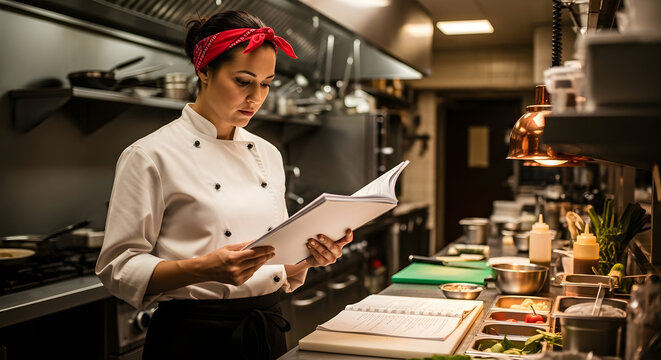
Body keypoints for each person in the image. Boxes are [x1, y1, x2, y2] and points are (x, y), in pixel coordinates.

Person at [95, 10, 353, 360]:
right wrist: (204, 268)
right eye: (243, 81)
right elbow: (118, 268)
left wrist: (310, 258)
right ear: (204, 71)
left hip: (266, 328)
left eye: (265, 83)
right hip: (192, 339)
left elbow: (273, 263)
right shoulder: (149, 155)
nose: (256, 97)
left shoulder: (268, 153)